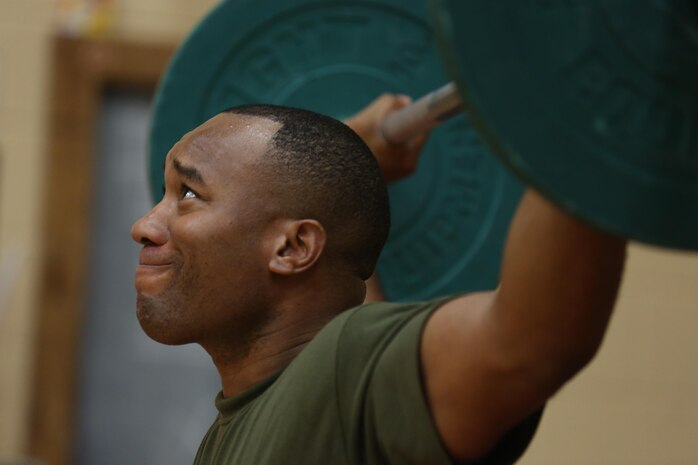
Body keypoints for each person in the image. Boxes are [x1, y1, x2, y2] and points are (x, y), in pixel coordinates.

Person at [131, 94, 626, 464]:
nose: (144, 226)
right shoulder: (241, 428)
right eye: (164, 192)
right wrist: (354, 159)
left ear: (294, 248)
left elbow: (531, 344)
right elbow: (347, 297)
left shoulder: (345, 372)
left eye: (189, 194)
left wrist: (595, 109)